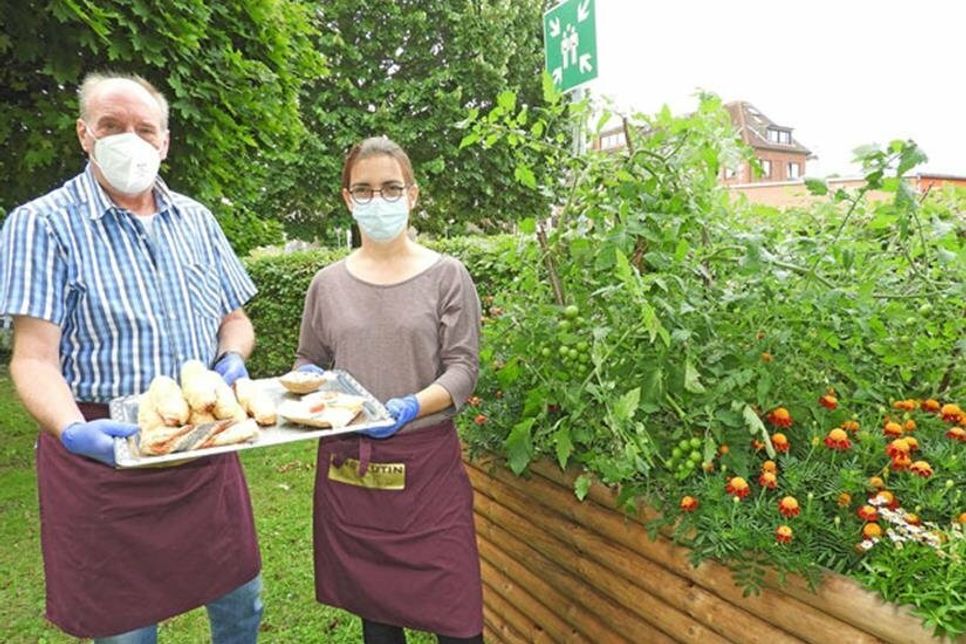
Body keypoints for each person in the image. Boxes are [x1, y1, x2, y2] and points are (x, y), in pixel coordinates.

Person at [0, 72, 263, 643]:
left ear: (164, 142)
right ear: (84, 134)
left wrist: (231, 358)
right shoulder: (42, 224)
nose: (131, 140)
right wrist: (72, 430)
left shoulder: (196, 219)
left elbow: (234, 319)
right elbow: (33, 359)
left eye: (145, 129)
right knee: (127, 633)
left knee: (241, 603)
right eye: (112, 126)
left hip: (202, 444)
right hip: (107, 456)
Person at [294, 137, 484, 643]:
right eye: (364, 189)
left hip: (427, 471)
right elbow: (309, 360)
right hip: (352, 471)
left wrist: (413, 405)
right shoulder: (326, 284)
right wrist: (310, 385)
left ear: (413, 195)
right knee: (376, 618)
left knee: (460, 623)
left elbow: (463, 368)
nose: (378, 200)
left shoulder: (448, 276)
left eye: (391, 188)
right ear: (347, 198)